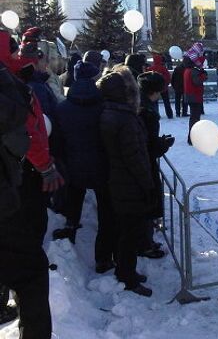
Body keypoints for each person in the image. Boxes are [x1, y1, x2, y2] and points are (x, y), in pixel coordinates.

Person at [0, 29, 54, 339]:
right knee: (32, 271)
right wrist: (45, 166)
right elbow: (24, 133)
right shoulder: (15, 87)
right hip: (10, 195)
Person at [50, 60, 117, 273]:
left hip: (74, 166)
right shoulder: (104, 107)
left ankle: (70, 233)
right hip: (102, 167)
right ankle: (103, 258)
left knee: (74, 201)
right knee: (107, 214)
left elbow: (56, 142)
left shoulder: (62, 108)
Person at [98, 66, 155, 297]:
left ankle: (126, 270)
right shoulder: (124, 119)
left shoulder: (111, 112)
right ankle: (127, 276)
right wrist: (148, 185)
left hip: (119, 181)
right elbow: (134, 157)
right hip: (127, 184)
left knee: (125, 231)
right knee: (129, 233)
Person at [137, 71, 175, 259]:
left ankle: (146, 239)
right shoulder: (147, 112)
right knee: (148, 201)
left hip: (144, 162)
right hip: (144, 164)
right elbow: (148, 145)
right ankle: (145, 243)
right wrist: (162, 145)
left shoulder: (143, 105)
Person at [183, 43, 208, 145]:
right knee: (195, 118)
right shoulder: (193, 71)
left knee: (194, 117)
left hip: (190, 95)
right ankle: (192, 138)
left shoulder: (187, 70)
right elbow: (197, 82)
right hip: (194, 96)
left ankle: (192, 137)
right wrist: (204, 76)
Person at [147, 53, 174, 119]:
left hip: (154, 88)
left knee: (155, 102)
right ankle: (169, 114)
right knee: (166, 102)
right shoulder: (163, 68)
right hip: (163, 88)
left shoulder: (150, 68)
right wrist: (166, 84)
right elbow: (168, 77)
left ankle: (156, 114)